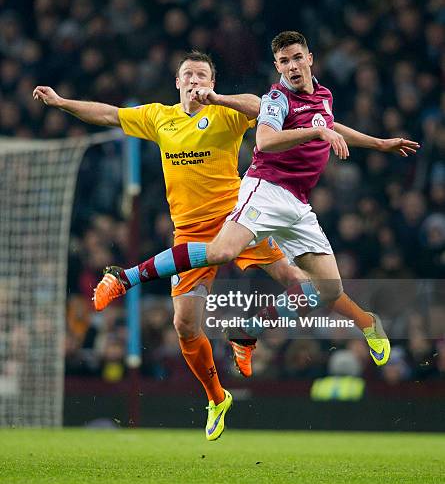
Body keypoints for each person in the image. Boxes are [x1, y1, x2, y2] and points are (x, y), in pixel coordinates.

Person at [91, 32, 420, 377]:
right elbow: (266, 138)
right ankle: (125, 277)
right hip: (265, 189)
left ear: (310, 58)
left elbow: (328, 124)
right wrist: (316, 133)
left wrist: (378, 143)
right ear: (277, 67)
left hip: (298, 203)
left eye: (296, 58)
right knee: (221, 253)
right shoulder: (277, 99)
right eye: (284, 62)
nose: (291, 66)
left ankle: (253, 332)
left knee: (324, 290)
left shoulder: (323, 95)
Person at [33, 50, 316, 441]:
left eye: (203, 74)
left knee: (303, 288)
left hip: (238, 221)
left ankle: (247, 331)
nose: (196, 79)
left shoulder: (225, 112)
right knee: (184, 325)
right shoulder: (159, 117)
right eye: (189, 74)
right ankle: (217, 398)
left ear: (211, 83)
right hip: (190, 234)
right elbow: (110, 114)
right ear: (178, 82)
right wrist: (63, 103)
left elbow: (260, 105)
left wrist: (219, 100)